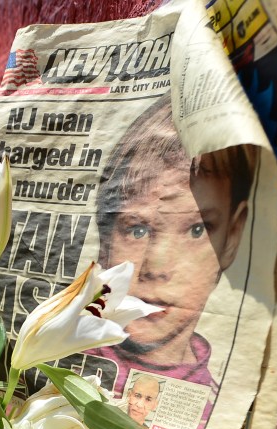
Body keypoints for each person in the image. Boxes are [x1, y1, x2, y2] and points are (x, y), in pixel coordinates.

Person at [89, 96, 257, 396]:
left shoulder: (217, 402)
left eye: (197, 230)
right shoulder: (71, 355)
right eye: (136, 230)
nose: (156, 267)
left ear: (232, 238)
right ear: (106, 241)